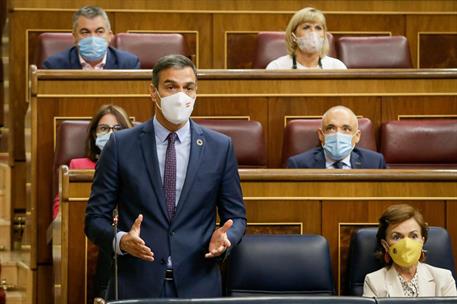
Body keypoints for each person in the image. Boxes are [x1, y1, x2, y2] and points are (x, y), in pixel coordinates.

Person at [85, 54, 247, 299]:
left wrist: (226, 239)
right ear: (153, 92)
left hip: (198, 285)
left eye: (188, 88)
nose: (180, 95)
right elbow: (95, 219)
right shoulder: (121, 145)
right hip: (135, 285)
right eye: (171, 87)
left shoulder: (220, 147)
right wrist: (120, 241)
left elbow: (236, 216)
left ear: (196, 94)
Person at [52, 104, 133, 300]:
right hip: (89, 240)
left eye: (118, 129)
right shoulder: (77, 166)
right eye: (104, 129)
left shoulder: (135, 166)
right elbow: (59, 209)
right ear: (94, 135)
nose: (111, 134)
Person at [363, 204, 457, 297]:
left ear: (422, 241)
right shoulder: (374, 281)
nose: (407, 244)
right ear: (385, 245)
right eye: (397, 237)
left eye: (413, 236)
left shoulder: (444, 279)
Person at [287, 105, 386, 169]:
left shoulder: (375, 163)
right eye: (331, 128)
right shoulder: (298, 165)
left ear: (357, 136)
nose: (338, 135)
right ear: (321, 135)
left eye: (346, 129)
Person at [43, 6, 140, 69]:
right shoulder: (54, 66)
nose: (93, 38)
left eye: (99, 32)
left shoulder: (128, 64)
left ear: (110, 36)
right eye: (85, 32)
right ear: (74, 37)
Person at [266, 7, 346, 70]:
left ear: (324, 36)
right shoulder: (277, 67)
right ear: (293, 35)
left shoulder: (337, 67)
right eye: (306, 27)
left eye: (318, 28)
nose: (313, 32)